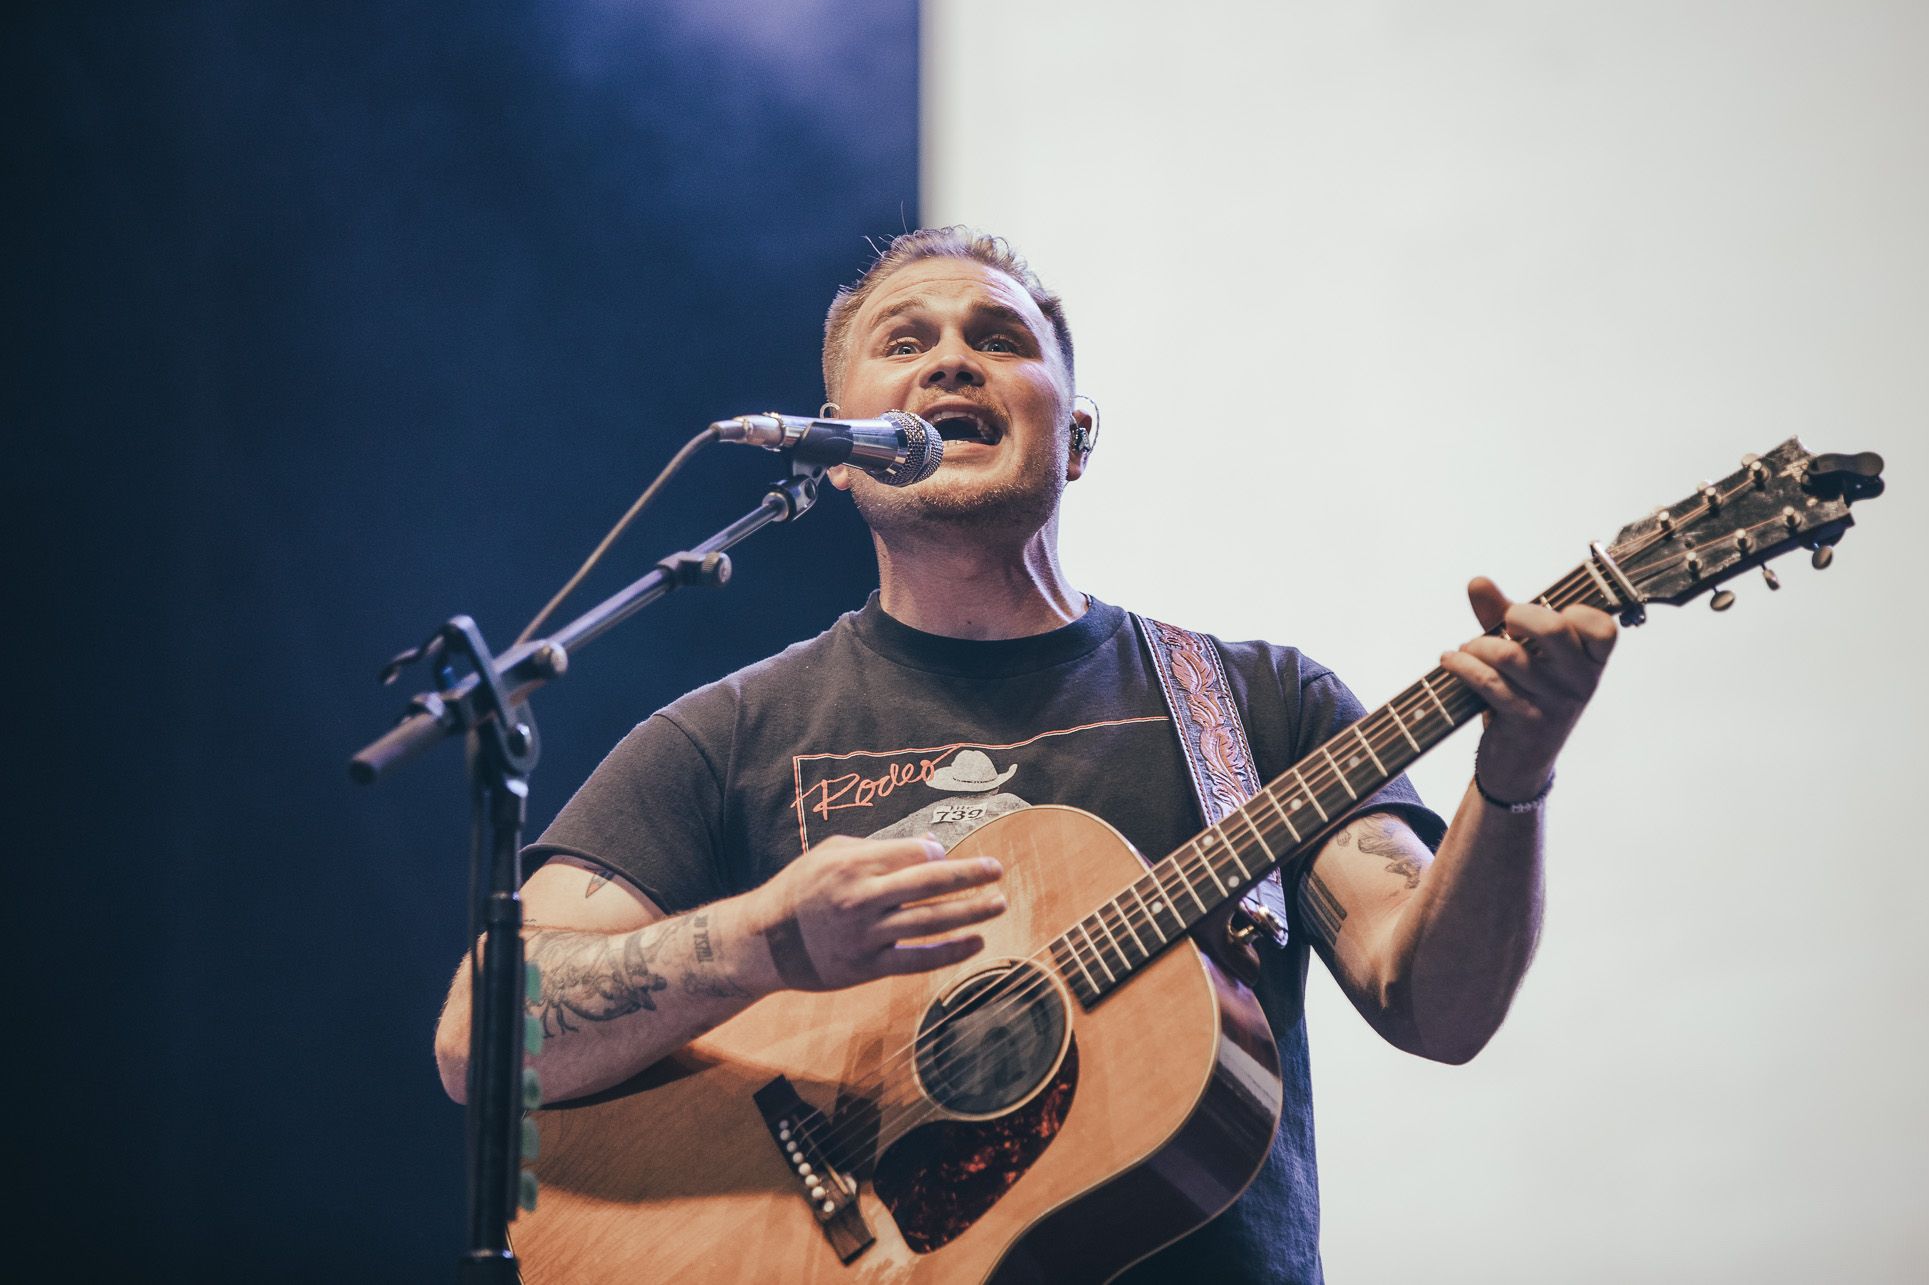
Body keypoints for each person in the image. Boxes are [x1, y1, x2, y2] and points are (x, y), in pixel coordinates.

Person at [433, 227, 1618, 1282]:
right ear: (839, 453)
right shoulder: (724, 736)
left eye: (998, 339)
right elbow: (479, 1036)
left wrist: (1513, 780)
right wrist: (761, 940)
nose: (951, 361)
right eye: (905, 342)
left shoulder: (1256, 706)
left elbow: (1436, 1010)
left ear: (1077, 437)